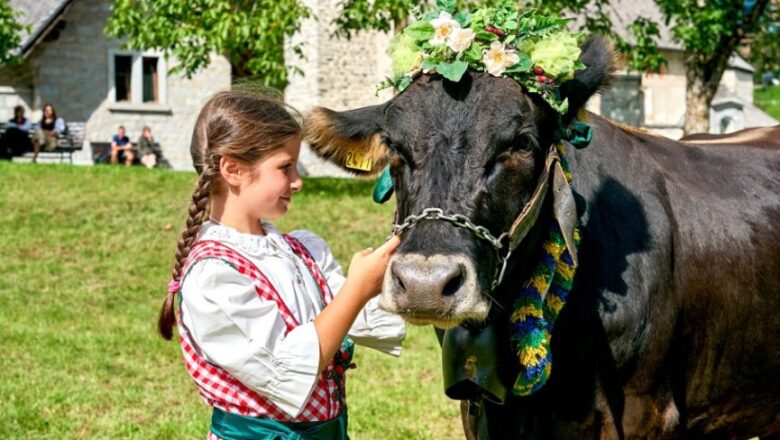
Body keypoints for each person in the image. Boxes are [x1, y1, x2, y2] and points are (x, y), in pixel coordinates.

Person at [158, 90, 405, 440]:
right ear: (233, 169)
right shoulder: (213, 276)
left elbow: (360, 319)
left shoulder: (304, 251)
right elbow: (287, 369)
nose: (298, 181)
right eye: (285, 167)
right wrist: (356, 289)